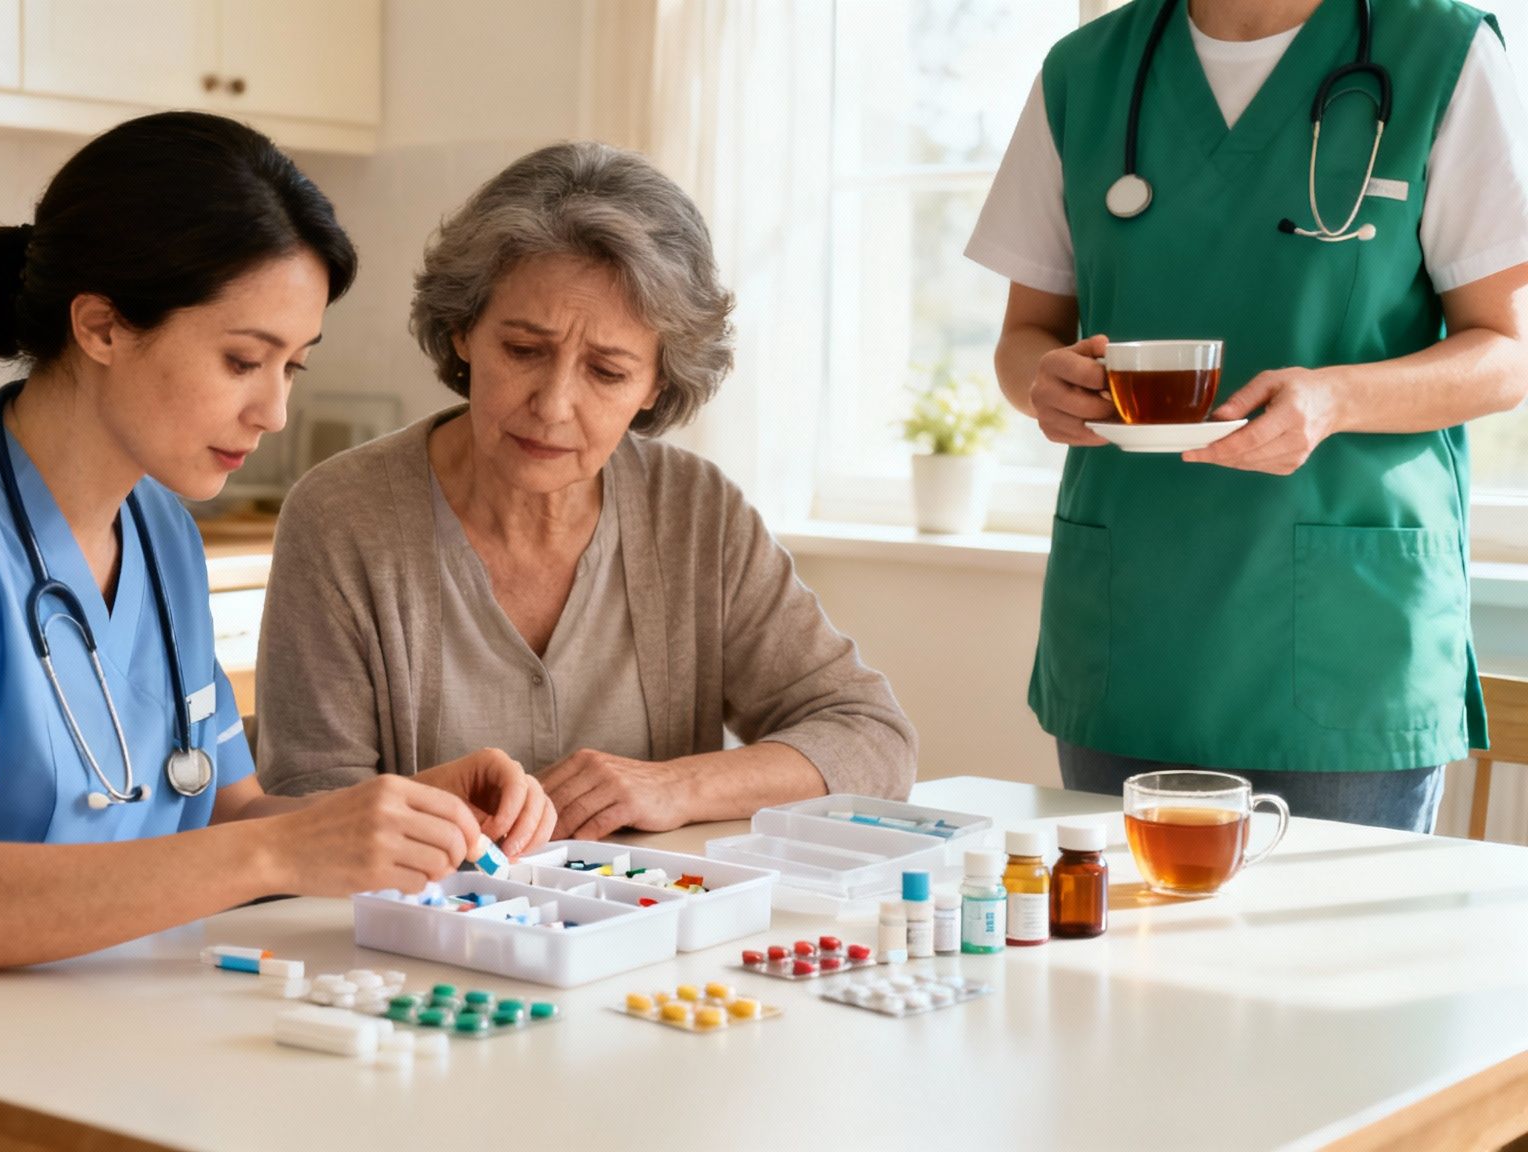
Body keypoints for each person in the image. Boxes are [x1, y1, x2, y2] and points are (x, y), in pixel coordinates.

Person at [0, 112, 552, 1152]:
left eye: (292, 367)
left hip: (89, 1043)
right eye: (241, 359)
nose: (272, 410)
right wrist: (281, 844)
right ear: (99, 326)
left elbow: (221, 812)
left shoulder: (161, 531)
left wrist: (382, 818)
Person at [967, 0, 1528, 830]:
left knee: (1331, 958)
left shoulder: (1440, 53)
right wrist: (1038, 383)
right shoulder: (1084, 74)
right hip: (1135, 622)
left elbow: (1506, 351)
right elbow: (1027, 337)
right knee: (1122, 953)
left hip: (1347, 637)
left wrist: (1335, 399)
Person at [254, 142, 918, 841]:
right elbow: (308, 810)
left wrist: (676, 784)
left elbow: (873, 739)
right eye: (523, 350)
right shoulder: (341, 517)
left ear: (657, 383)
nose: (553, 404)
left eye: (606, 371)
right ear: (463, 331)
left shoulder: (695, 511)